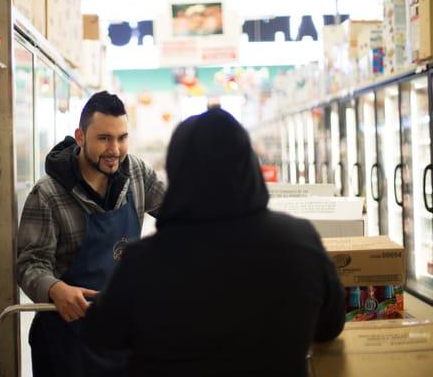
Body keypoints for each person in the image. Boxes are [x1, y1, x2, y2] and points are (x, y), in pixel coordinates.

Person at [84, 108, 346, 376]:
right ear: (249, 163)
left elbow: (103, 335)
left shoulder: (142, 263)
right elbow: (331, 325)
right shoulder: (300, 242)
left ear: (177, 171)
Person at [16, 91, 166, 377]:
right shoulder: (48, 194)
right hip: (66, 341)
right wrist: (54, 288)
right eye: (104, 138)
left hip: (119, 334)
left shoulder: (136, 173)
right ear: (81, 136)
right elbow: (29, 264)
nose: (115, 149)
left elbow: (176, 212)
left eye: (122, 138)